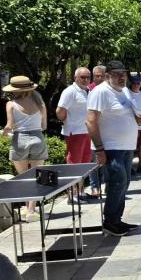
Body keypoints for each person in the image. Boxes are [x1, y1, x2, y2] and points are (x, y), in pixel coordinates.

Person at [86, 61, 141, 237]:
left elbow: (132, 114)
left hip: (126, 146)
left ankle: (116, 219)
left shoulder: (124, 91)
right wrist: (99, 149)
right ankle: (110, 222)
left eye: (123, 74)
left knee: (124, 183)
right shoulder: (101, 92)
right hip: (111, 148)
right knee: (117, 182)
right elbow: (90, 121)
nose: (121, 77)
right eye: (117, 74)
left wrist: (138, 119)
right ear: (107, 76)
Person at [2, 76, 49, 219]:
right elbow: (44, 126)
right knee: (37, 176)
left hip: (20, 140)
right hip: (38, 138)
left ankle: (28, 210)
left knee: (23, 177)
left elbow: (9, 126)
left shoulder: (11, 104)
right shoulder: (40, 103)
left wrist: (4, 133)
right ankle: (31, 210)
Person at [56, 67, 93, 202]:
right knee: (74, 163)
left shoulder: (88, 91)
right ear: (75, 78)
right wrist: (69, 122)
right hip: (75, 132)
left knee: (84, 162)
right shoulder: (70, 91)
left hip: (87, 131)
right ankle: (72, 194)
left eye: (88, 77)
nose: (85, 79)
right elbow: (60, 111)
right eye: (82, 77)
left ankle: (80, 190)